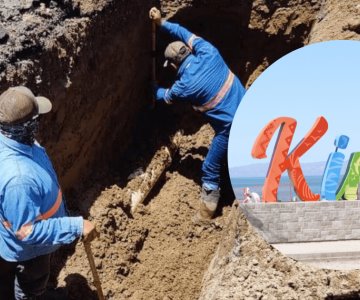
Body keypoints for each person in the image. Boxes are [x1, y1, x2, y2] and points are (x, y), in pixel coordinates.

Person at [149, 7, 246, 220]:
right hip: (249, 108)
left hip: (230, 127)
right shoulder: (208, 51)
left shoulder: (184, 86)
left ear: (174, 65)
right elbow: (183, 33)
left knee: (210, 167)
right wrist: (161, 22)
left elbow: (163, 96)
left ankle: (206, 212)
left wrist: (151, 87)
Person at [0, 86, 97, 299]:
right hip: (31, 252)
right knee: (30, 288)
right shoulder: (19, 179)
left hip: (15, 236)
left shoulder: (15, 141)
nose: (40, 122)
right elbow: (27, 232)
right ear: (24, 126)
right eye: (36, 119)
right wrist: (75, 225)